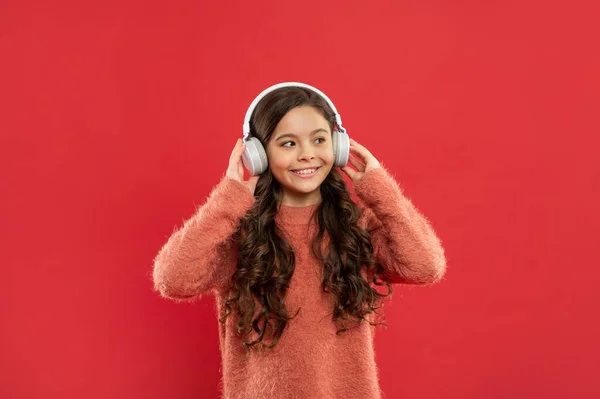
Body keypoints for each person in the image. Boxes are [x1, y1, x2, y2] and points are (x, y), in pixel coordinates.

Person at [152, 83, 447, 399]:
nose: (307, 153)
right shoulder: (236, 233)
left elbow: (425, 267)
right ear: (259, 154)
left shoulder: (357, 225)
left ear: (338, 145)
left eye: (319, 139)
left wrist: (378, 187)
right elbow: (174, 279)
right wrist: (230, 196)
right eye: (288, 143)